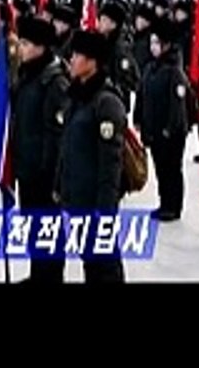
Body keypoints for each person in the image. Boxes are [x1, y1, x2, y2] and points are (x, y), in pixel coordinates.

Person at [57, 29, 127, 283]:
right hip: (77, 197)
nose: (71, 60)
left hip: (96, 202)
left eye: (77, 55)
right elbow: (66, 148)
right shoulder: (76, 97)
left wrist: (105, 210)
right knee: (90, 263)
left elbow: (111, 164)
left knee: (105, 266)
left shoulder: (106, 102)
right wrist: (60, 188)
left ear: (92, 61)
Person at [11, 17, 70, 282]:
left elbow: (56, 136)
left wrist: (51, 176)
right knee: (33, 227)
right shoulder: (27, 76)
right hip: (27, 166)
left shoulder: (54, 82)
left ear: (42, 47)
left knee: (48, 229)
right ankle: (38, 274)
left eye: (25, 43)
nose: (19, 48)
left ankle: (50, 277)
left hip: (44, 174)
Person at [134, 20, 193, 221]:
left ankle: (173, 206)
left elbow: (178, 104)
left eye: (157, 43)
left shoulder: (174, 71)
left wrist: (170, 128)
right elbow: (141, 95)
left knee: (171, 169)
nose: (153, 47)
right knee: (160, 168)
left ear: (166, 45)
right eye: (151, 43)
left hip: (171, 132)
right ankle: (164, 202)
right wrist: (138, 117)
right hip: (153, 129)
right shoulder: (150, 69)